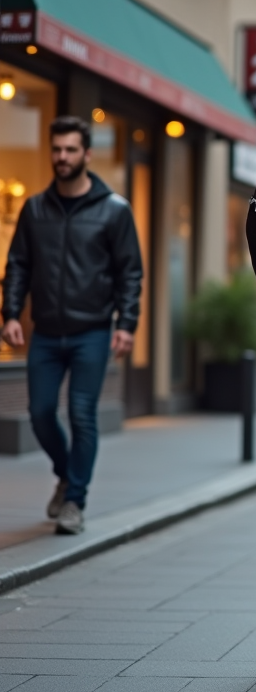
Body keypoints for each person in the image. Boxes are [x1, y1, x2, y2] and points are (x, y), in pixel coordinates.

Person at [1, 116, 142, 537]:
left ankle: (74, 501)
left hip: (92, 331)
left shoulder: (114, 210)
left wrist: (126, 323)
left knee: (82, 414)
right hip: (45, 331)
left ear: (87, 154)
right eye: (56, 149)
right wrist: (10, 314)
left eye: (70, 150)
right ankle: (66, 475)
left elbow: (130, 272)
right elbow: (18, 265)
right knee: (40, 413)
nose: (61, 157)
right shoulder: (34, 209)